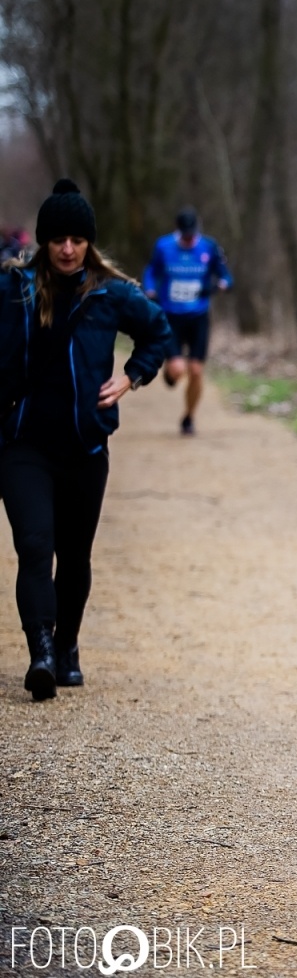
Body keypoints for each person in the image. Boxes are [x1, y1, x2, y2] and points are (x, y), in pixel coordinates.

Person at [1, 180, 173, 700]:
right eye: (59, 239)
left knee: (75, 556)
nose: (68, 248)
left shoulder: (110, 293)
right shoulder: (14, 289)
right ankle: (42, 653)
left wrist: (130, 377)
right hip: (23, 444)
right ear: (44, 241)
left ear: (89, 242)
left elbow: (158, 332)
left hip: (85, 449)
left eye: (78, 239)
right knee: (35, 547)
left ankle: (68, 645)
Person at [142, 207, 230, 435]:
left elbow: (225, 275)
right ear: (178, 231)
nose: (189, 239)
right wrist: (150, 289)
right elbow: (152, 270)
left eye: (192, 235)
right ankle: (170, 371)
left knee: (197, 371)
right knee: (178, 370)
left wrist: (219, 285)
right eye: (185, 235)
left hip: (198, 316)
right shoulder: (163, 246)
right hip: (170, 316)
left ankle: (189, 417)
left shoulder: (209, 247)